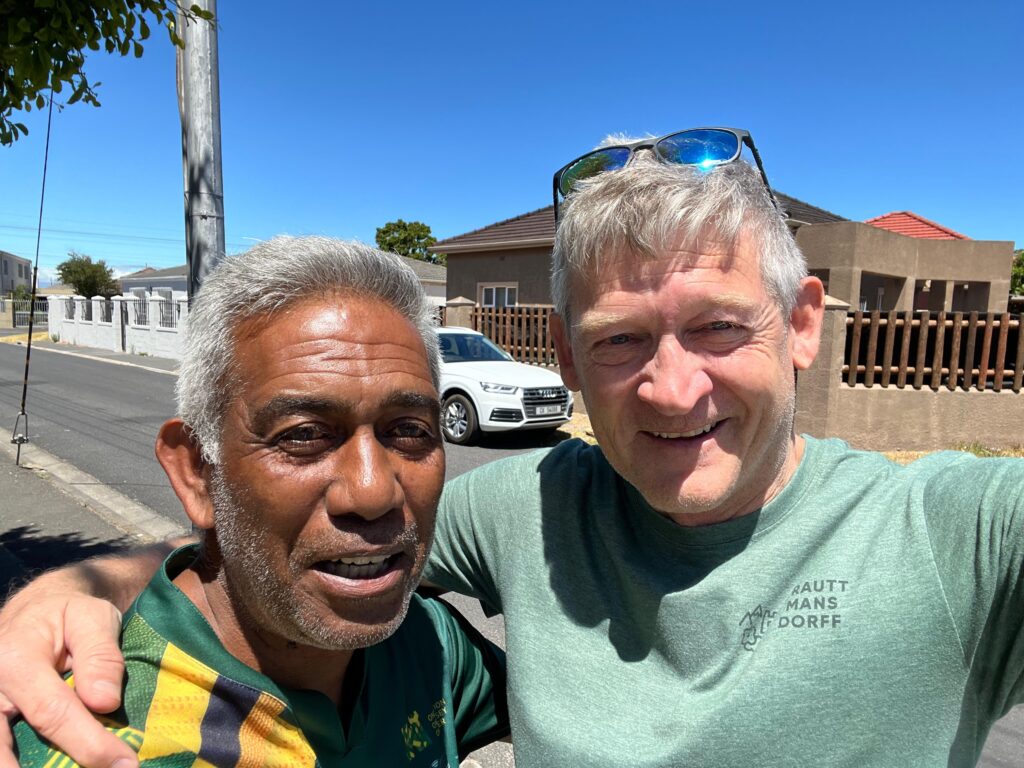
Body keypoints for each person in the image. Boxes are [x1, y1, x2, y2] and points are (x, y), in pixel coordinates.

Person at [2, 129, 1023, 766]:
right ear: (569, 363)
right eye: (619, 341)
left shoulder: (955, 535)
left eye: (718, 327)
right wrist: (70, 591)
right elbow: (289, 556)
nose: (673, 388)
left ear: (801, 325)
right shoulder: (530, 508)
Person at [7, 237, 508, 767]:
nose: (372, 491)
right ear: (198, 473)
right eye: (304, 434)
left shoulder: (430, 647)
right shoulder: (98, 737)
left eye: (409, 430)